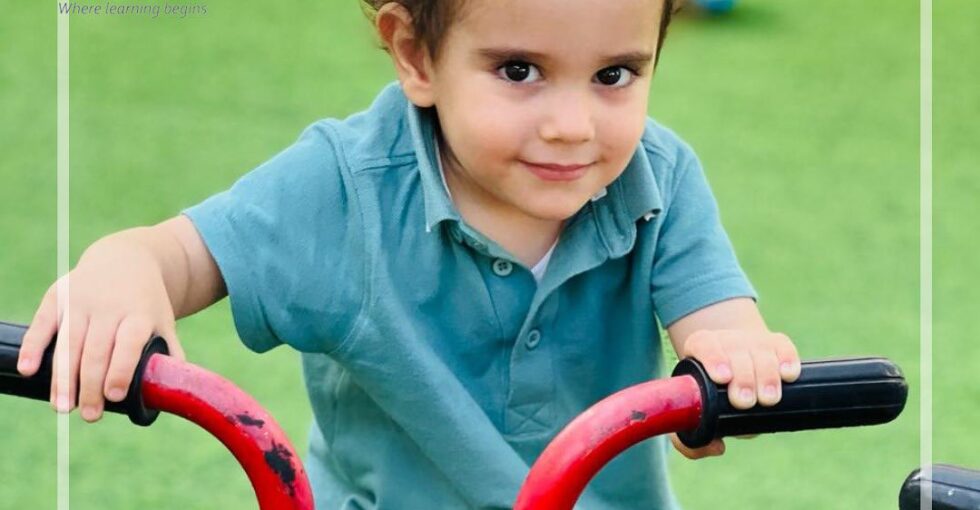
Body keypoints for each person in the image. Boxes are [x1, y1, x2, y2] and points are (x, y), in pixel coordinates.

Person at [18, 0, 801, 507]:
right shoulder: (348, 187)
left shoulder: (658, 180)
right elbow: (177, 255)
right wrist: (126, 264)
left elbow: (720, 328)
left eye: (614, 75)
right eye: (519, 71)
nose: (572, 125)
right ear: (416, 56)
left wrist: (730, 369)